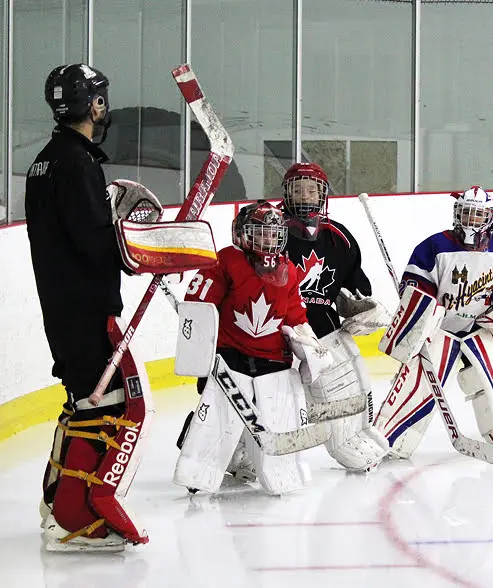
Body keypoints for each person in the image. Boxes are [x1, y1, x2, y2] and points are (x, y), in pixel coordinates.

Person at [27, 64, 158, 551]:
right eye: (101, 98)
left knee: (82, 402)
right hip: (85, 311)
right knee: (105, 409)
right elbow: (94, 241)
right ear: (93, 104)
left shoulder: (46, 160)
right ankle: (75, 520)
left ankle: (54, 502)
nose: (105, 106)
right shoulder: (78, 163)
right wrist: (142, 247)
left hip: (62, 308)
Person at [375, 186, 493, 458]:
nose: (471, 221)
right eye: (466, 214)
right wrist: (422, 307)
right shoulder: (435, 247)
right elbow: (416, 286)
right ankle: (390, 438)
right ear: (457, 214)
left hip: (482, 329)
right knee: (416, 383)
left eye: (478, 216)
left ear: (490, 218)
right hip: (440, 330)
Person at [174, 201, 329, 495]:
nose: (268, 240)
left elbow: (296, 316)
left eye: (273, 234)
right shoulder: (225, 261)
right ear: (243, 233)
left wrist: (309, 349)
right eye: (261, 233)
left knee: (279, 426)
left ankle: (275, 469)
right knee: (219, 418)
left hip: (274, 362)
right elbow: (199, 306)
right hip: (231, 359)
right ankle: (198, 467)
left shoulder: (290, 271)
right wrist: (200, 357)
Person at [279, 162, 390, 471]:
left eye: (311, 190)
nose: (305, 196)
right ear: (286, 193)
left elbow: (354, 288)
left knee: (351, 375)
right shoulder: (269, 230)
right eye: (298, 190)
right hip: (276, 331)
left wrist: (364, 307)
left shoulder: (338, 238)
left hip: (322, 328)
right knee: (271, 398)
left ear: (323, 194)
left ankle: (355, 435)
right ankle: (241, 454)